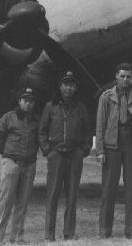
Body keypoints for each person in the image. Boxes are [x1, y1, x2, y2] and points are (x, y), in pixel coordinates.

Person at [95, 62, 132, 239]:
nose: (126, 79)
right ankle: (104, 230)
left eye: (129, 76)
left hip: (131, 144)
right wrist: (100, 151)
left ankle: (131, 231)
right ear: (116, 76)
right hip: (112, 145)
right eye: (122, 76)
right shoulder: (106, 97)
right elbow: (100, 126)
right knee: (108, 188)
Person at [39, 70, 93, 242]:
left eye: (72, 85)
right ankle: (49, 234)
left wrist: (83, 150)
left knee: (72, 195)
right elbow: (42, 131)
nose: (69, 88)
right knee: (52, 194)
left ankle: (69, 233)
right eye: (66, 84)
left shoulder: (81, 108)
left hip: (74, 156)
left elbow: (87, 132)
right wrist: (48, 150)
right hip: (56, 155)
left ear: (76, 87)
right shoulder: (50, 107)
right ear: (60, 86)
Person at [0, 87, 39, 244]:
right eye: (25, 100)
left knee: (22, 202)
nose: (28, 104)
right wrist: (7, 155)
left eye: (31, 101)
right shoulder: (9, 117)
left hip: (29, 164)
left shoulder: (36, 120)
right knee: (5, 201)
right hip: (12, 163)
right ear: (19, 101)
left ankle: (17, 237)